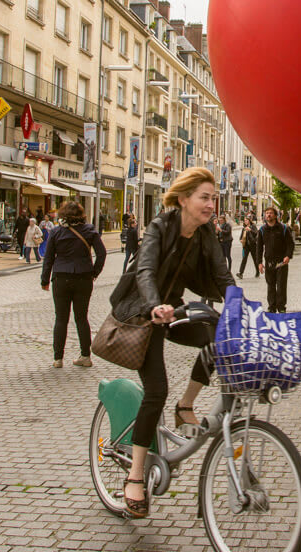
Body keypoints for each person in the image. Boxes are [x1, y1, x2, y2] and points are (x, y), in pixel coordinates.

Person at [110, 166, 232, 518]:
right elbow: (145, 270)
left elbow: (221, 274)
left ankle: (185, 406)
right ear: (184, 199)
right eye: (204, 198)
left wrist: (242, 308)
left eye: (213, 198)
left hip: (172, 310)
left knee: (218, 337)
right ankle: (134, 476)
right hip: (143, 312)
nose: (211, 204)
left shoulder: (205, 233)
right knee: (155, 390)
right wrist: (153, 306)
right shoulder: (159, 227)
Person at [41, 201, 105, 369]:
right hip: (83, 277)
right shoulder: (90, 230)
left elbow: (48, 258)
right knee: (81, 318)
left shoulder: (56, 232)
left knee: (61, 318)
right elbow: (102, 253)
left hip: (61, 277)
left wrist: (45, 280)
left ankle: (58, 359)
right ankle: (85, 355)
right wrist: (94, 272)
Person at [257, 206, 295, 313]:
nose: (268, 215)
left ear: (275, 215)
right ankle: (271, 307)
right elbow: (259, 248)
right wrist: (259, 263)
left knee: (281, 285)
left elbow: (290, 244)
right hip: (269, 263)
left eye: (270, 213)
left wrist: (288, 256)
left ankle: (281, 307)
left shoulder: (283, 228)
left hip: (281, 262)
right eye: (267, 213)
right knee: (270, 285)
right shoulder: (262, 230)